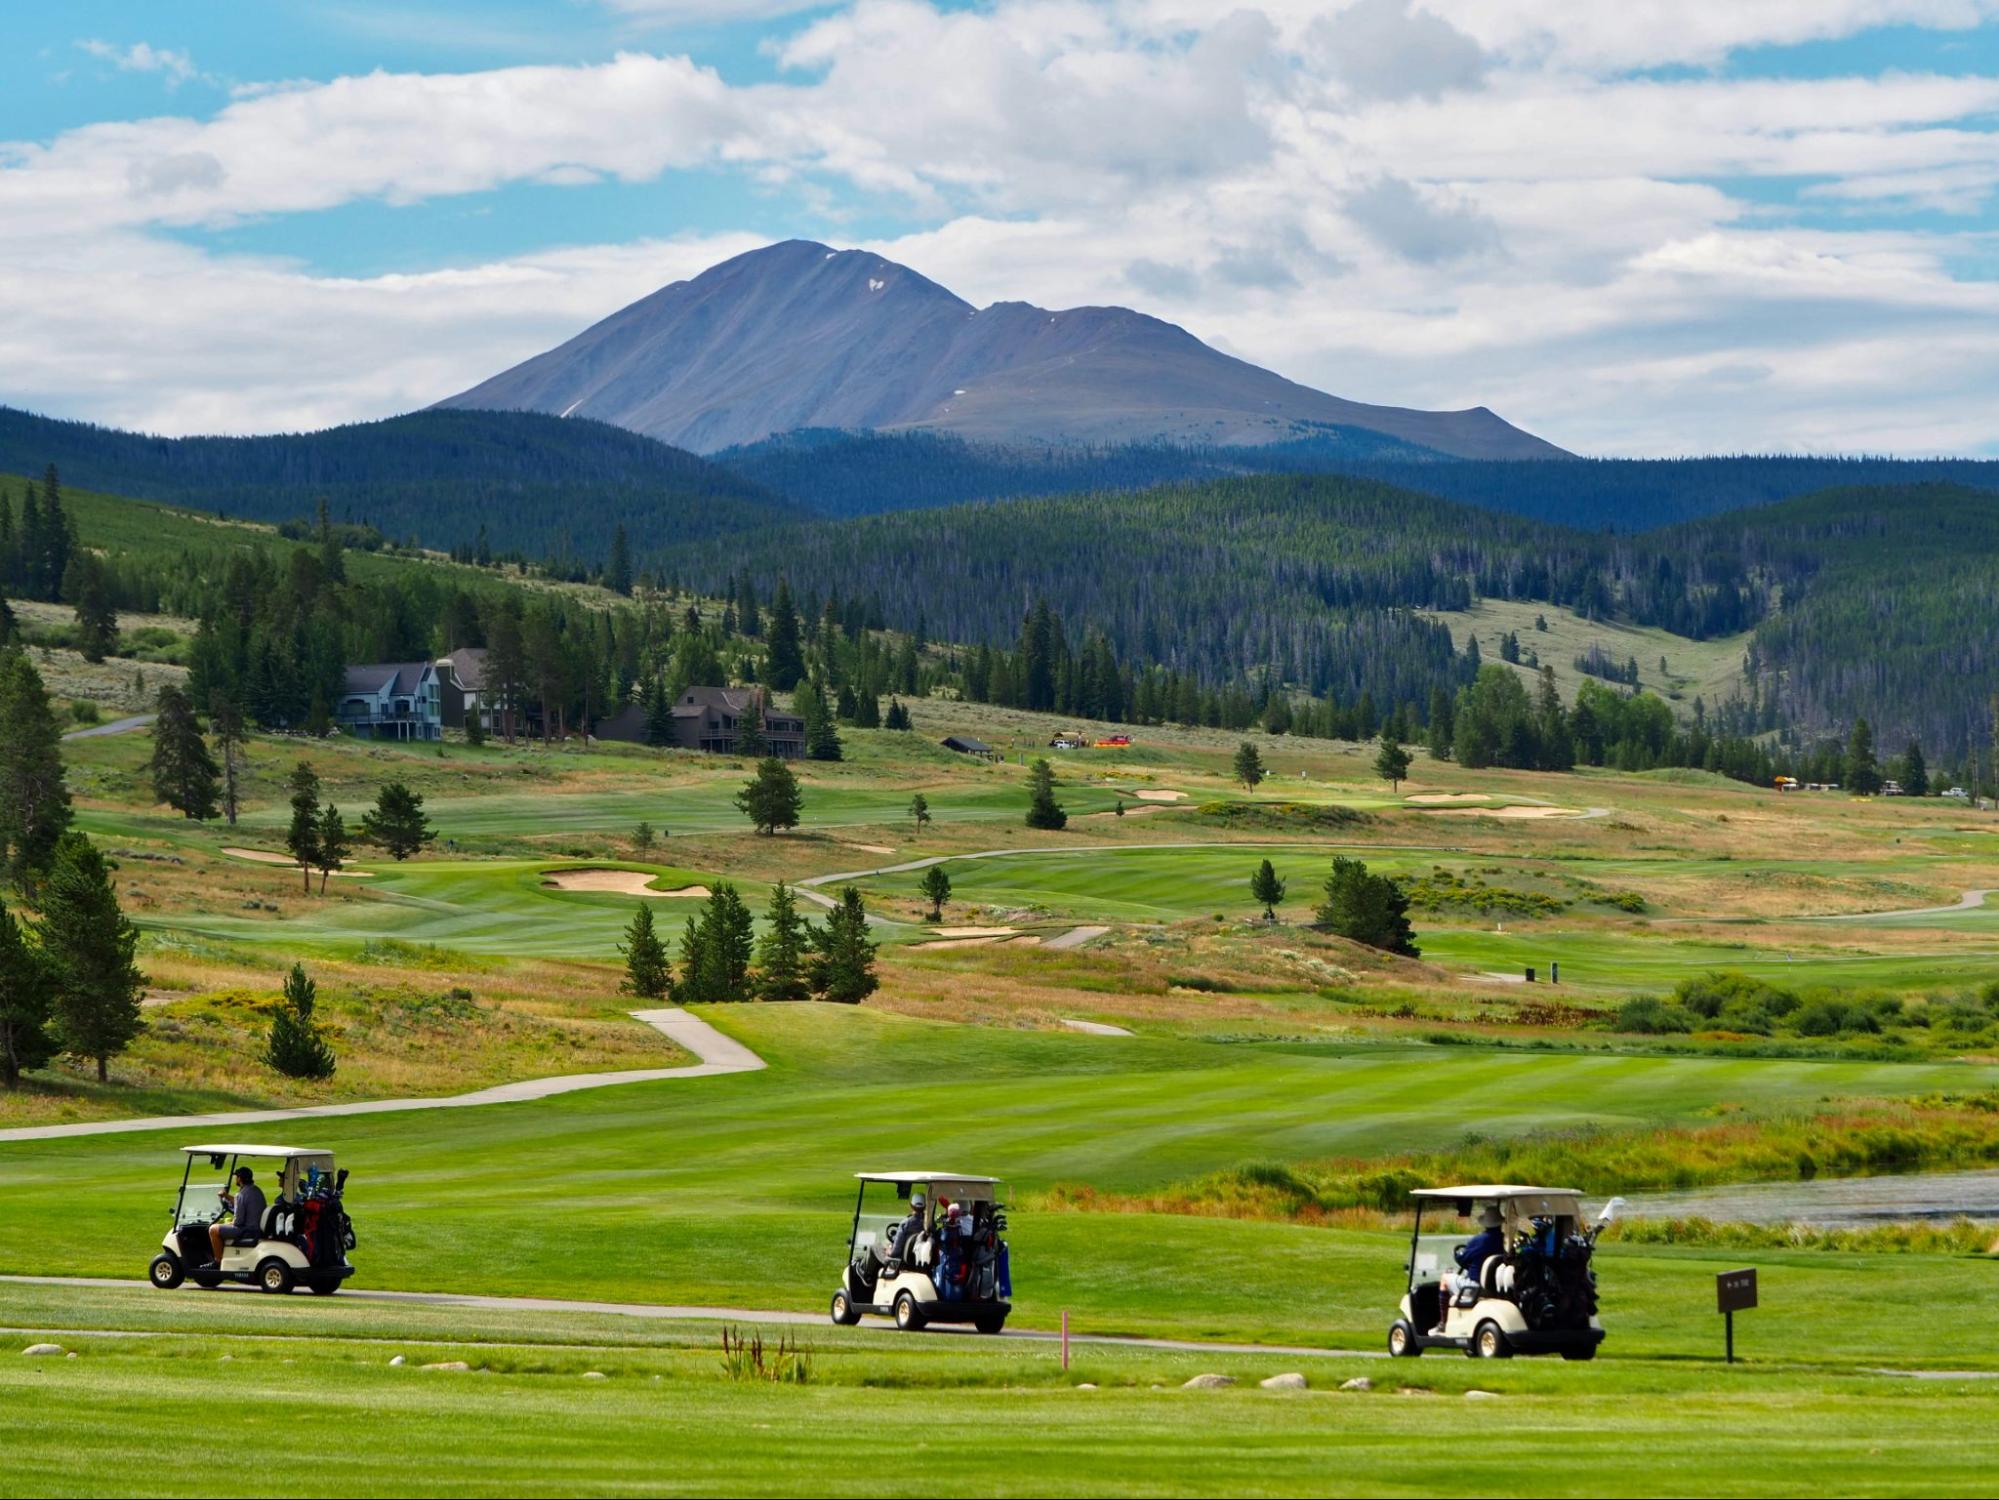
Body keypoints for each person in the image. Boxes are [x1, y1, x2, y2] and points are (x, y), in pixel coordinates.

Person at [208, 1167, 267, 1263]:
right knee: (222, 1224)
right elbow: (241, 1202)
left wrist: (228, 1223)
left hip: (247, 1230)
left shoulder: (241, 1194)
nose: (236, 1179)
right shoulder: (256, 1190)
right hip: (255, 1228)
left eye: (236, 1177)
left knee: (213, 1229)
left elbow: (238, 1221)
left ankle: (218, 1261)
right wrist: (226, 1196)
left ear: (239, 1179)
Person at [888, 1192, 927, 1268]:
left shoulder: (905, 1223)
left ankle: (868, 1277)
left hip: (902, 1263)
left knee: (874, 1248)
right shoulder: (928, 1224)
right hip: (921, 1263)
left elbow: (896, 1250)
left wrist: (889, 1251)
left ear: (911, 1205)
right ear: (925, 1206)